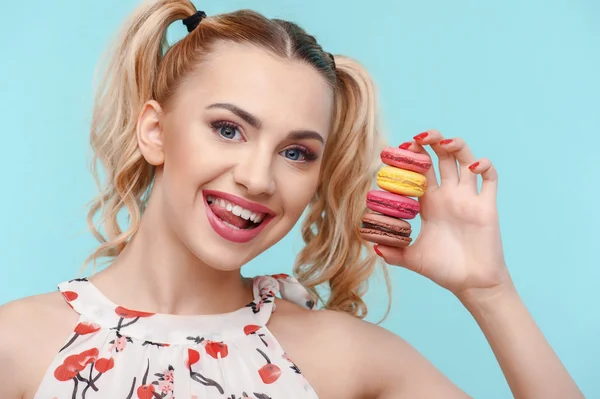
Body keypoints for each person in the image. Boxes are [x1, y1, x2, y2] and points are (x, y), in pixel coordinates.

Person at [0, 1, 583, 398]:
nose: (258, 178)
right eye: (228, 129)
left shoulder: (339, 355)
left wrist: (490, 292)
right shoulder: (18, 347)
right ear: (155, 131)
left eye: (298, 153)